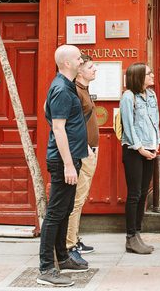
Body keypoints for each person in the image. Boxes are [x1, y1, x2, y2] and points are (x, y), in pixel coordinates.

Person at [37, 45, 90, 287]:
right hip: (63, 162)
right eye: (79, 58)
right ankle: (46, 268)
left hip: (71, 159)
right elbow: (58, 128)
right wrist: (68, 164)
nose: (82, 61)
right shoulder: (61, 89)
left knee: (65, 209)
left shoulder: (64, 85)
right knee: (56, 213)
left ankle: (62, 257)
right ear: (68, 63)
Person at [120, 62, 160, 254]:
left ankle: (137, 234)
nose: (152, 75)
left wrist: (156, 143)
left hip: (150, 149)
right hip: (134, 150)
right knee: (134, 194)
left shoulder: (151, 95)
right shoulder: (128, 97)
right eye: (148, 73)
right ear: (138, 77)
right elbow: (128, 127)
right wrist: (140, 148)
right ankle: (130, 237)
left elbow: (156, 120)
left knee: (144, 193)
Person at [64, 54, 98, 265]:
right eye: (91, 67)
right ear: (80, 71)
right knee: (76, 200)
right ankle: (69, 245)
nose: (95, 69)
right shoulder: (75, 91)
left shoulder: (83, 90)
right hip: (83, 152)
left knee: (81, 197)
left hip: (89, 151)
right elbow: (67, 123)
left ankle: (74, 238)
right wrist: (85, 147)